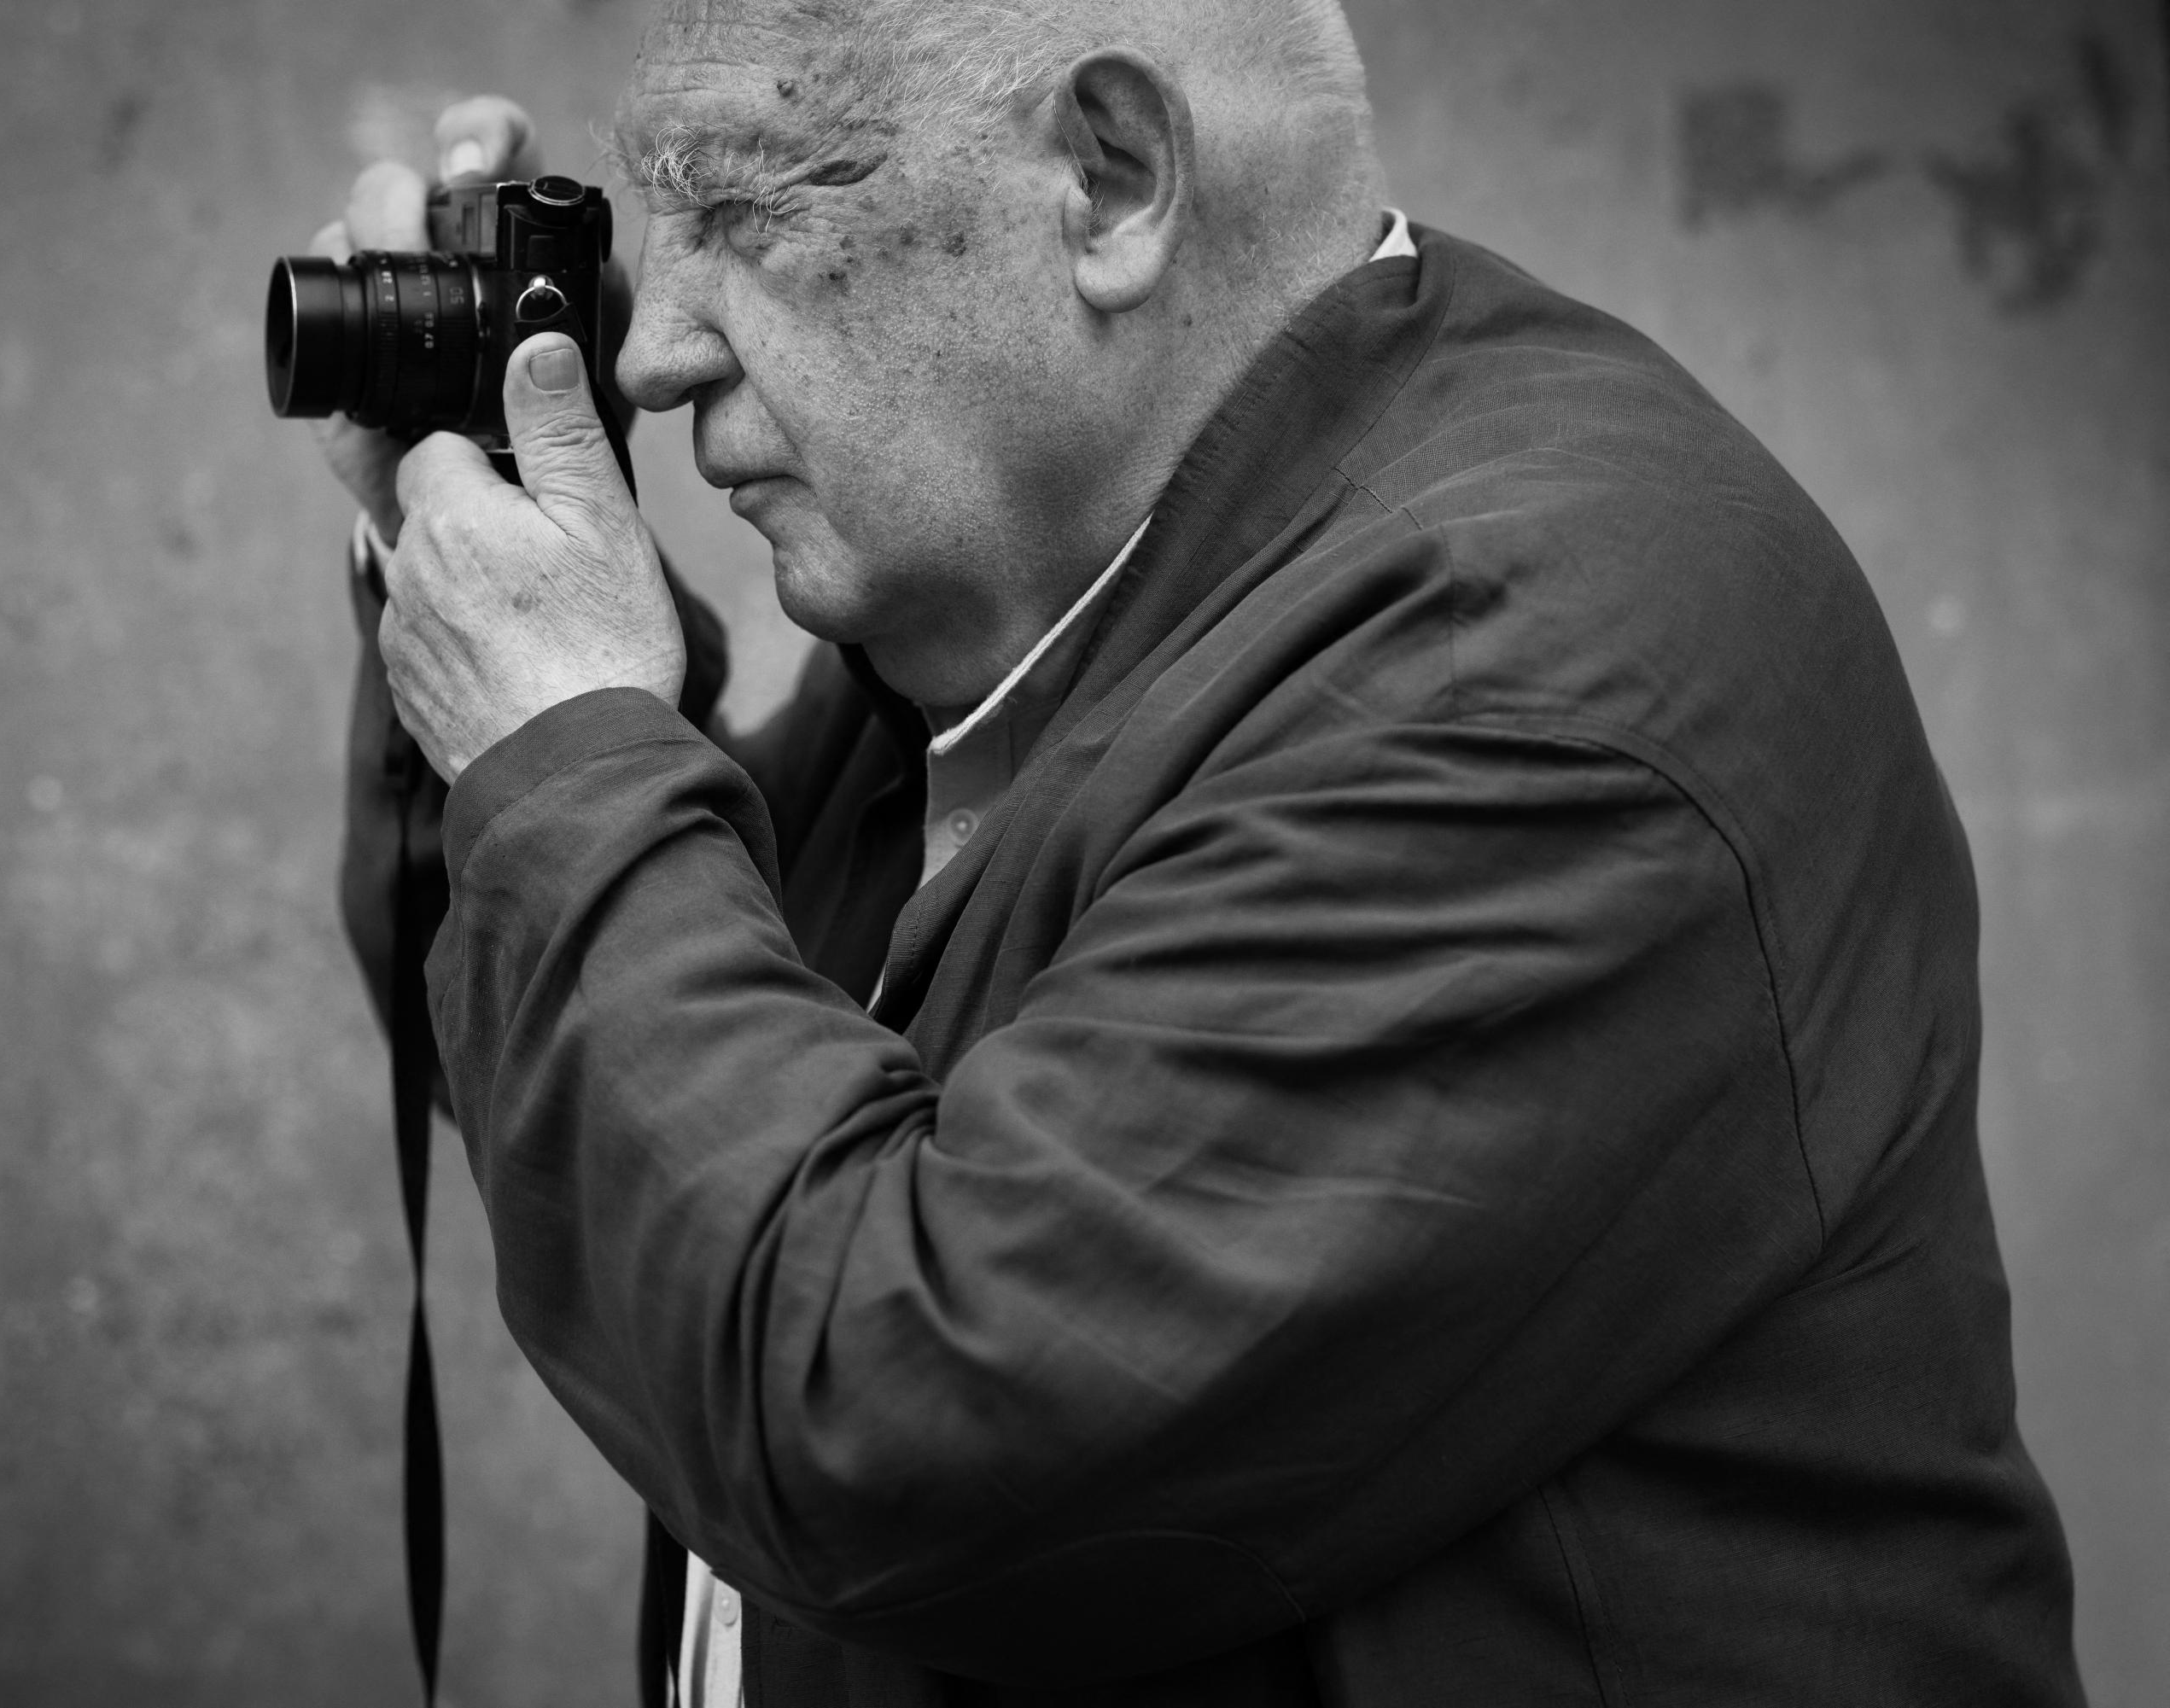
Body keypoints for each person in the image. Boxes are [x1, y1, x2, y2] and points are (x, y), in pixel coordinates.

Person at [312, 2, 2085, 1703]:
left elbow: (887, 1413)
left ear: (1111, 175)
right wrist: (487, 566)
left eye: (744, 208)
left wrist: (564, 748)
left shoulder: (1531, 674)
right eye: (656, 218)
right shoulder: (1042, 601)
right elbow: (681, 1130)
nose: (653, 342)